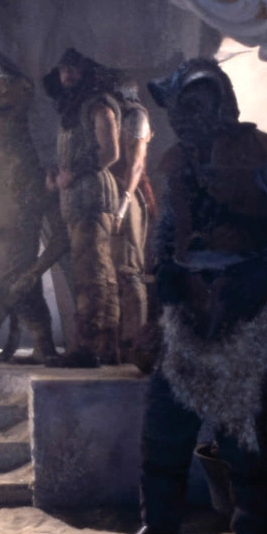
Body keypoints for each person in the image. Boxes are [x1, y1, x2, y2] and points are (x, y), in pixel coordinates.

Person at [109, 58, 267, 534]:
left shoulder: (264, 155)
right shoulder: (176, 161)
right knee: (165, 424)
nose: (186, 117)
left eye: (196, 105)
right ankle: (157, 531)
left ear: (221, 104)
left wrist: (266, 267)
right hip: (187, 308)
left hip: (247, 307)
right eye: (180, 108)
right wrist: (166, 268)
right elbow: (170, 226)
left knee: (244, 430)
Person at [42, 49, 123, 367]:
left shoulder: (99, 107)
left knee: (92, 274)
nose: (68, 75)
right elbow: (69, 154)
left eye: (74, 69)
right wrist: (55, 174)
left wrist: (73, 173)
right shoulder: (72, 109)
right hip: (75, 201)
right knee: (97, 272)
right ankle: (106, 347)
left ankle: (87, 348)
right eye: (64, 69)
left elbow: (110, 153)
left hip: (92, 199)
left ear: (85, 72)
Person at [110, 86, 156, 368]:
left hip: (128, 197)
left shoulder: (135, 116)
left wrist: (123, 203)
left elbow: (136, 164)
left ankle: (134, 343)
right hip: (110, 196)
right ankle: (114, 344)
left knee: (129, 271)